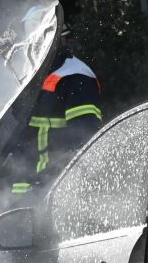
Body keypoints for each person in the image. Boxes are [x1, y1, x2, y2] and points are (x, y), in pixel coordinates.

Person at [6, 31, 104, 196]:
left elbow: (84, 141)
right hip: (22, 194)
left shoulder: (75, 76)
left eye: (35, 42)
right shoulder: (34, 76)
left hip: (56, 193)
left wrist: (47, 185)